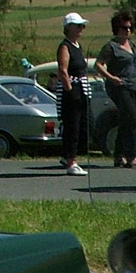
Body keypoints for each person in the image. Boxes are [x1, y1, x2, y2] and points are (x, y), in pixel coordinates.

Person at [95, 10, 136, 168]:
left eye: (129, 28)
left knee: (126, 120)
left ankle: (119, 155)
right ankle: (131, 155)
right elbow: (98, 64)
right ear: (116, 28)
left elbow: (134, 62)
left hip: (131, 84)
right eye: (123, 27)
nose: (127, 30)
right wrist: (110, 77)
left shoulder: (132, 45)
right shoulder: (111, 47)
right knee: (132, 119)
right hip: (118, 86)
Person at [55, 12, 89, 176]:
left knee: (80, 124)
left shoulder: (77, 46)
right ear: (68, 28)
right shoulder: (65, 46)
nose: (81, 29)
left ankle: (67, 155)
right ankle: (71, 161)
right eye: (78, 25)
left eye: (82, 26)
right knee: (72, 126)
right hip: (71, 88)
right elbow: (63, 70)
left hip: (81, 87)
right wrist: (70, 91)